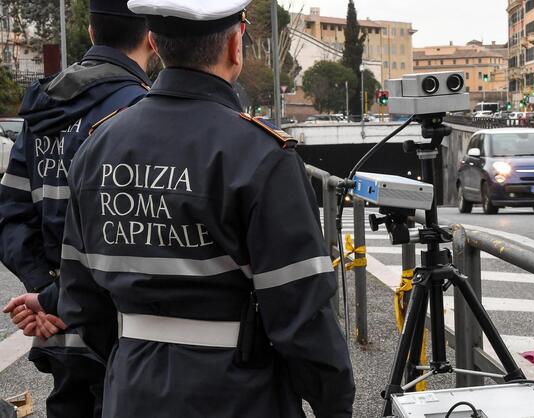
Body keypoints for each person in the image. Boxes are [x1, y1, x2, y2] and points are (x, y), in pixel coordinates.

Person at [57, 1, 355, 417]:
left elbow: (81, 303)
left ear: (156, 44)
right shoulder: (260, 155)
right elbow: (301, 316)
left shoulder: (97, 147)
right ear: (235, 44)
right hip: (238, 395)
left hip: (130, 389)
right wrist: (334, 404)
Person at [0, 1, 154, 416]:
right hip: (120, 333)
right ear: (152, 39)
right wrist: (58, 299)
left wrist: (43, 291)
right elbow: (139, 235)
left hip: (57, 330)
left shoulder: (42, 107)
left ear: (89, 32)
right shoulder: (144, 112)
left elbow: (11, 214)